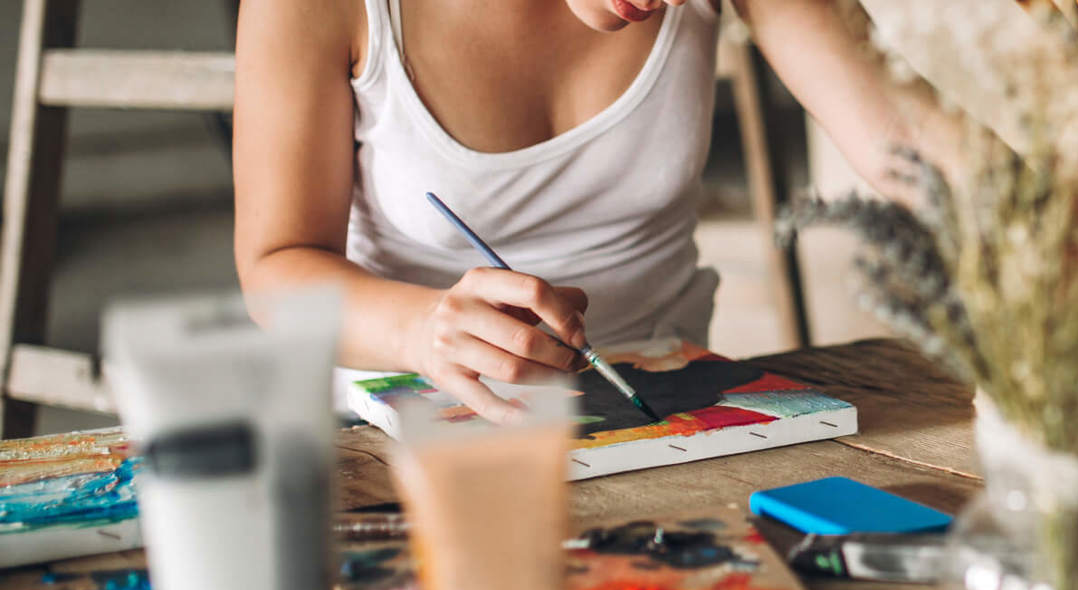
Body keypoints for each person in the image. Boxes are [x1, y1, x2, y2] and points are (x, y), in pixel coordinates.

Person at [233, 0, 955, 422]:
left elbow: (919, 146)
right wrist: (421, 330)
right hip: (404, 427)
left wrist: (1051, 230)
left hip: (675, 421)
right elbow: (274, 270)